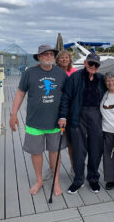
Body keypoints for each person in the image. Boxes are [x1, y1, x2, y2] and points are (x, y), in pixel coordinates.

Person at [9, 44, 68, 195]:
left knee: (55, 152)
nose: (49, 56)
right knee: (36, 153)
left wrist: (65, 116)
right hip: (34, 122)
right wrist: (13, 114)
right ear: (39, 57)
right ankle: (39, 180)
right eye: (45, 54)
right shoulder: (30, 73)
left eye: (51, 54)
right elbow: (20, 94)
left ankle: (55, 181)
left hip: (55, 122)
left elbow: (67, 97)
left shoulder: (61, 74)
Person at [58, 53, 106, 194]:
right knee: (78, 149)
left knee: (95, 149)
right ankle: (78, 180)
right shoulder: (75, 77)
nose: (93, 66)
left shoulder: (101, 78)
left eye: (96, 64)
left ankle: (93, 178)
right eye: (90, 63)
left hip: (96, 115)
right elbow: (66, 97)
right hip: (78, 116)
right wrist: (63, 116)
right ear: (85, 63)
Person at [44, 50, 77, 180]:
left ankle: (74, 167)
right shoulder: (53, 72)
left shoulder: (74, 72)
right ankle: (52, 168)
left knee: (71, 142)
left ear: (70, 60)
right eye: (62, 58)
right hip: (54, 109)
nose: (64, 59)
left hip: (70, 110)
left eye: (67, 57)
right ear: (57, 60)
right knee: (53, 142)